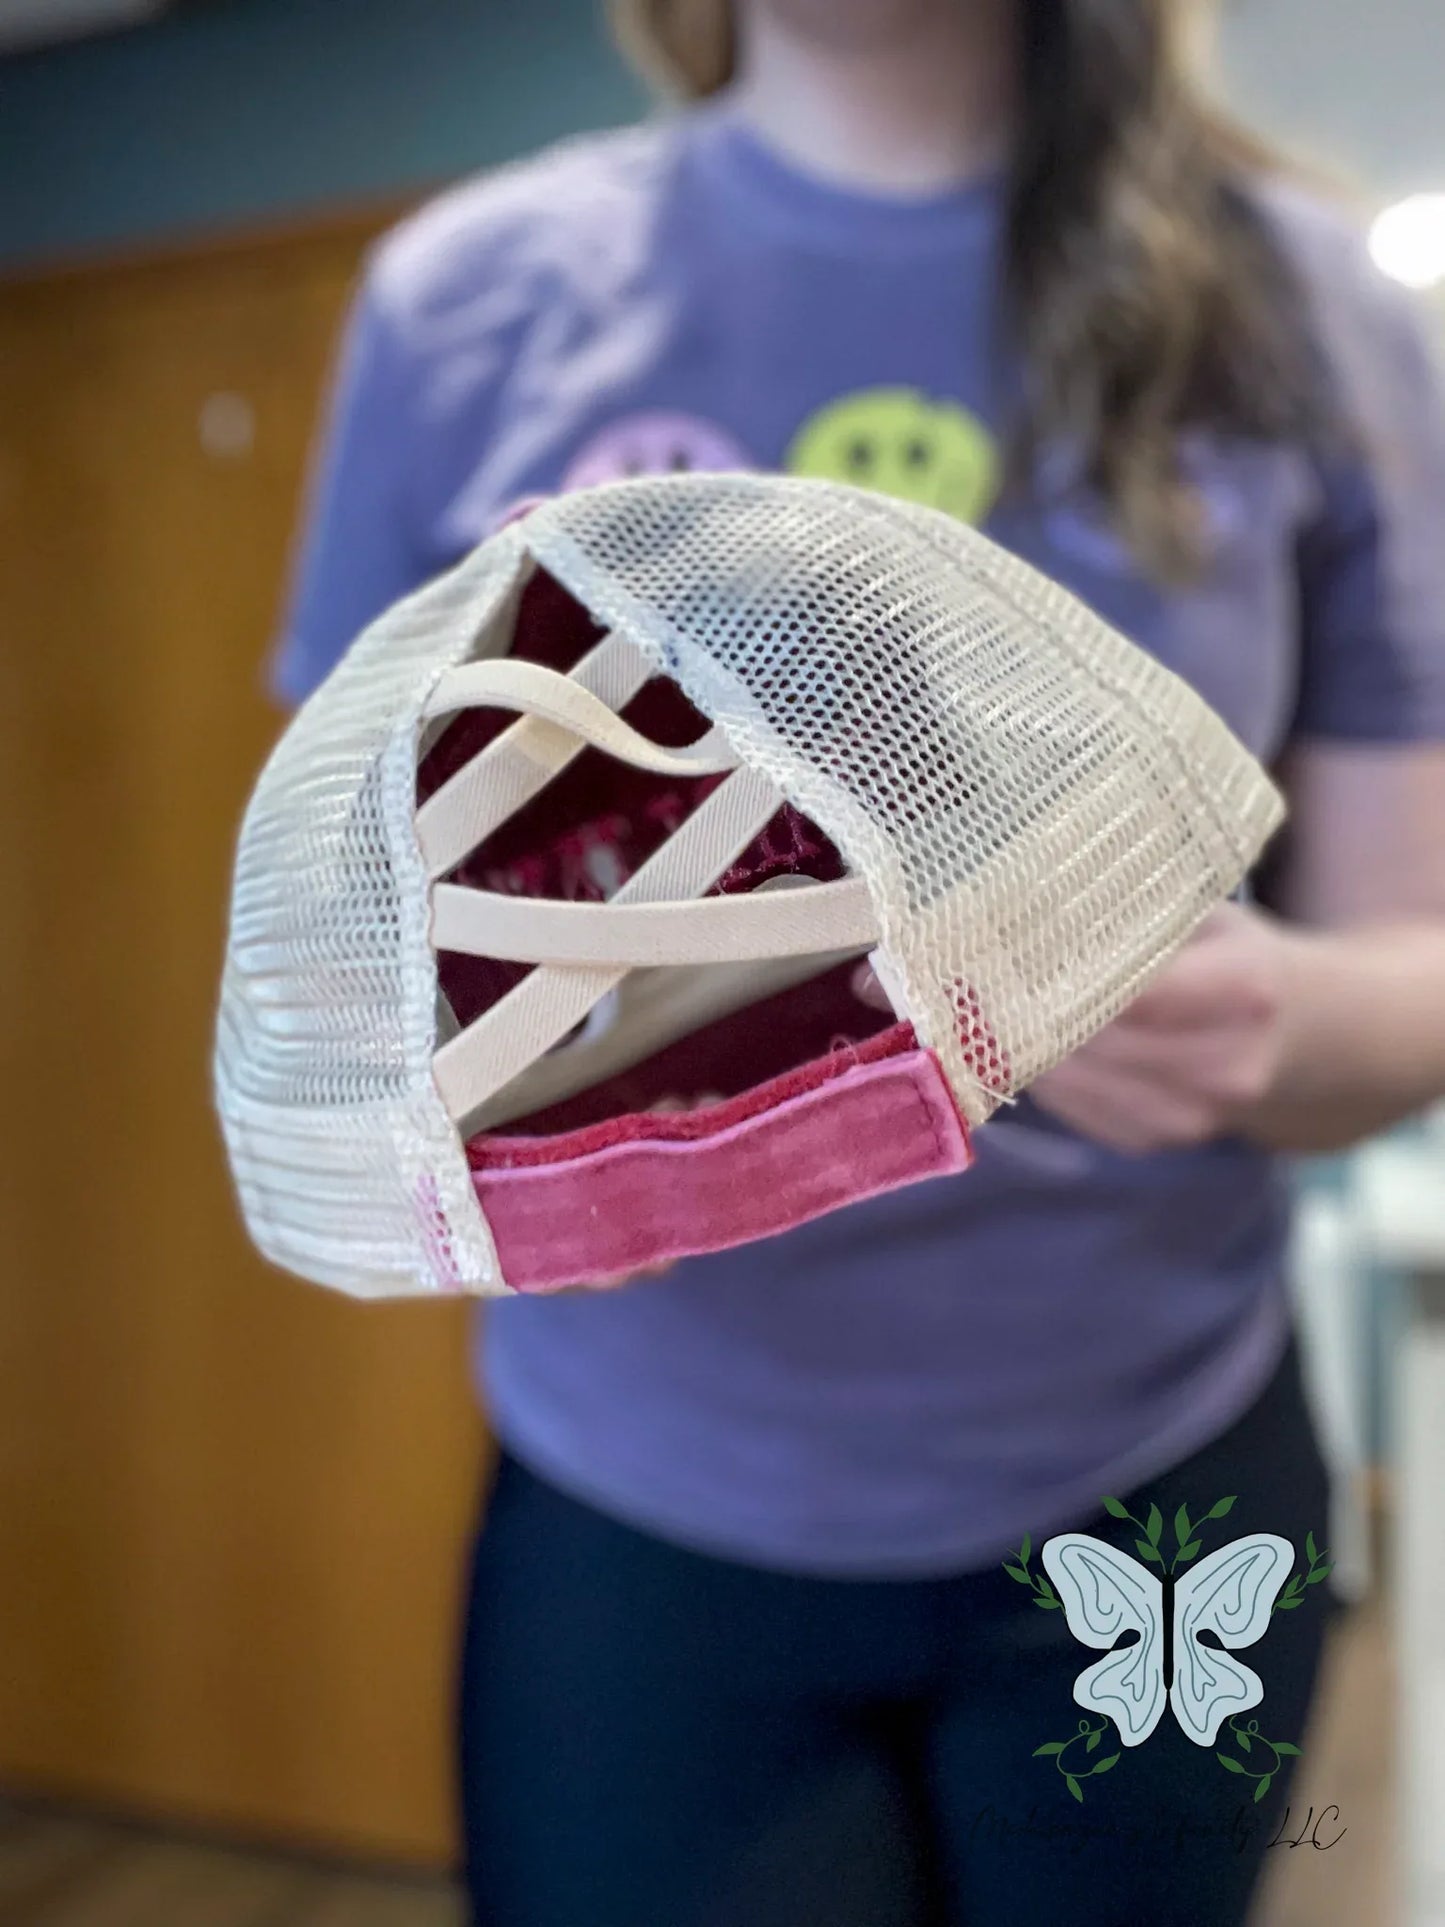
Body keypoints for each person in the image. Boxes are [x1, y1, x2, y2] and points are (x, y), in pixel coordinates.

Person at [274, 2, 1445, 1921]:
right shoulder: (466, 303)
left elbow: (1415, 962)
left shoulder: (1306, 307)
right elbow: (367, 930)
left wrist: (1282, 1025)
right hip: (646, 1507)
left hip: (1147, 1483)